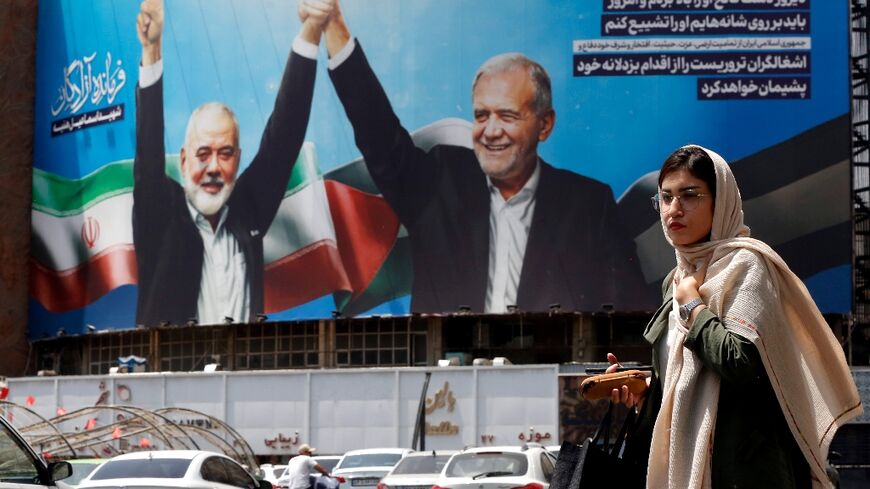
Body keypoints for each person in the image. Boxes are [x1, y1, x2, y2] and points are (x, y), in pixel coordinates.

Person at [299, 0, 652, 314]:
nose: (491, 130)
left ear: (544, 125)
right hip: (446, 385)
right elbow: (378, 132)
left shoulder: (589, 205)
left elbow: (628, 309)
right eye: (481, 115)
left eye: (508, 116)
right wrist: (335, 28)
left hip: (549, 383)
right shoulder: (440, 180)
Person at [606, 145, 862, 488]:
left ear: (721, 199)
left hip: (745, 471)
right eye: (665, 198)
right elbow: (684, 381)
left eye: (689, 195)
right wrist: (645, 394)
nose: (674, 209)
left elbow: (739, 363)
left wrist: (692, 307)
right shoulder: (677, 279)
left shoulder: (747, 266)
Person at [133, 0, 335, 326]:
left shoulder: (247, 211)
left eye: (225, 154)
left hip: (241, 373)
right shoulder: (161, 212)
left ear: (237, 161)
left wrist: (312, 29)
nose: (214, 167)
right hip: (172, 374)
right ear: (184, 161)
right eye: (203, 154)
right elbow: (148, 150)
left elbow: (284, 139)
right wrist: (152, 50)